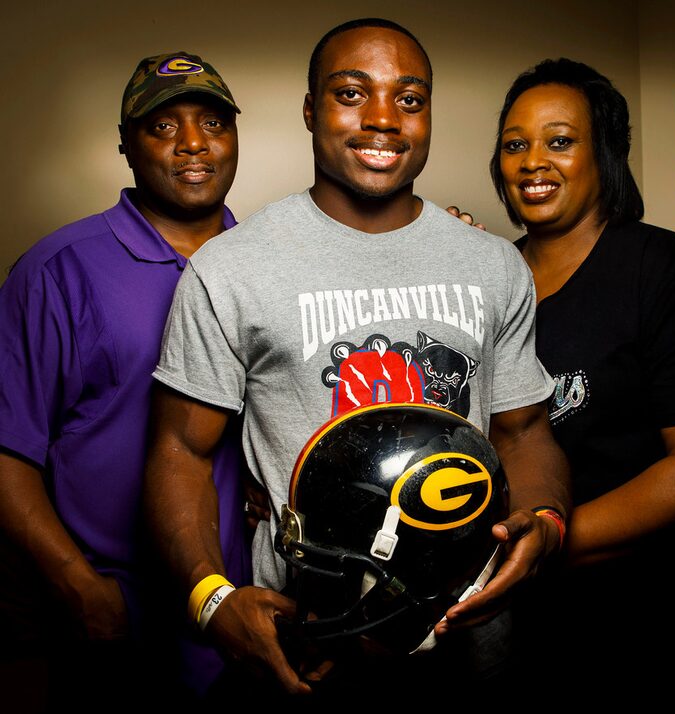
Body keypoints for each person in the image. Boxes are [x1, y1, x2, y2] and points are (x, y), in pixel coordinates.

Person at [143, 17, 571, 705]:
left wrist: (547, 522)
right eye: (351, 93)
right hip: (311, 650)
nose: (383, 120)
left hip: (470, 641)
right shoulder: (231, 269)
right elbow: (179, 452)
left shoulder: (493, 264)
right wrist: (212, 600)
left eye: (409, 99)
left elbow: (525, 431)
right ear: (311, 111)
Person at [489, 58, 675, 710]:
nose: (532, 161)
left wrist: (545, 541)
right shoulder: (489, 282)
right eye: (515, 144)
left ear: (602, 152)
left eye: (559, 140)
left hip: (656, 614)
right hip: (530, 617)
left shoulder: (665, 272)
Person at [0, 51, 252, 710]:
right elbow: (7, 452)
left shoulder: (266, 265)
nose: (194, 143)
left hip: (245, 621)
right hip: (117, 623)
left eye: (212, 122)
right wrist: (79, 586)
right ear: (126, 145)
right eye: (163, 126)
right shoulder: (58, 271)